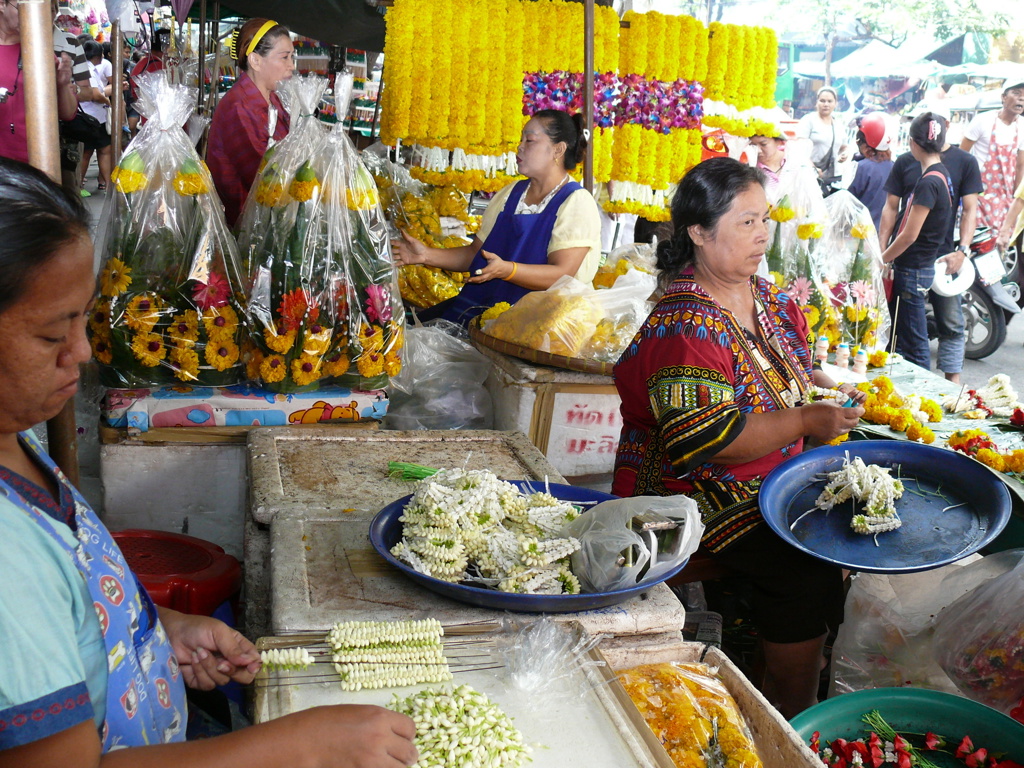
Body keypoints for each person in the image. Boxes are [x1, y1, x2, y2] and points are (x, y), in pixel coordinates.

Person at [0, 158, 418, 767]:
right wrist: (298, 748)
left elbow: (70, 603)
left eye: (83, 321)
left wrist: (158, 629)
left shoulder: (16, 440)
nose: (84, 352)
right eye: (51, 333)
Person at [612, 157, 864, 719]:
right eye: (746, 223)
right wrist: (803, 422)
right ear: (699, 233)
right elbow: (706, 440)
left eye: (765, 220)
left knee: (855, 525)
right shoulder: (684, 325)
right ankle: (787, 701)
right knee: (803, 559)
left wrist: (827, 391)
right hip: (691, 492)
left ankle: (795, 657)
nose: (763, 235)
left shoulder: (772, 302)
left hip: (773, 477)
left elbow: (794, 370)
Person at [393, 109, 601, 326]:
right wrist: (426, 255)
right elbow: (475, 254)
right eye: (521, 139)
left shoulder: (576, 202)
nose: (519, 147)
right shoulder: (511, 194)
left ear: (558, 149)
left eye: (529, 140)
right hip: (486, 315)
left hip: (540, 325)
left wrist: (508, 270)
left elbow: (561, 275)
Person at [880, 105, 981, 383]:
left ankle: (941, 390)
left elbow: (911, 234)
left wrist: (883, 258)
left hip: (929, 260)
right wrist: (884, 251)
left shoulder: (941, 173)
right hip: (916, 259)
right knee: (908, 332)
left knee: (928, 335)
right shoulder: (931, 171)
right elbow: (891, 209)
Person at [880, 112, 954, 371]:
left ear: (912, 143)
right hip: (921, 265)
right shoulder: (942, 174)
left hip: (913, 268)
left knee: (914, 342)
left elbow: (909, 235)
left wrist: (883, 258)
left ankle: (922, 391)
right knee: (908, 338)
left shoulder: (928, 182)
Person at [207, 18, 293, 229]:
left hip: (266, 221)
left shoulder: (273, 100)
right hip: (244, 227)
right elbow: (265, 177)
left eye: (292, 57)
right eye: (284, 57)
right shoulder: (240, 106)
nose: (292, 66)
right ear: (255, 61)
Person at [0, 0, 81, 166]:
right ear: (2, 5)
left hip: (34, 162)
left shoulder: (40, 53)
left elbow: (68, 113)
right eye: (22, 8)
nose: (30, 15)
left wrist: (62, 85)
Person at [960, 78, 1024, 234]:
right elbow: (961, 156)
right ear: (1003, 97)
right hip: (979, 196)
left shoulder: (1022, 126)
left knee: (1004, 245)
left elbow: (1020, 166)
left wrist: (1015, 200)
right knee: (978, 240)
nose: (1021, 98)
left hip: (1006, 199)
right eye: (1016, 93)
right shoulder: (983, 121)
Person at [847, 113, 894, 233]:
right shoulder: (893, 165)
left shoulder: (862, 167)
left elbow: (849, 200)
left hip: (862, 230)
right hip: (885, 230)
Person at [796, 86, 848, 191]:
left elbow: (844, 147)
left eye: (830, 101)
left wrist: (844, 154)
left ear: (835, 103)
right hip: (810, 176)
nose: (826, 104)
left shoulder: (838, 124)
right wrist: (812, 168)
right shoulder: (808, 121)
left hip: (832, 178)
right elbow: (799, 148)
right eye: (822, 101)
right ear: (817, 102)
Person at [78, 39, 111, 194]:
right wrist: (107, 101)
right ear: (99, 56)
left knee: (90, 152)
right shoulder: (89, 70)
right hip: (93, 118)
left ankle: (79, 186)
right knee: (99, 151)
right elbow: (96, 94)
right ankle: (79, 187)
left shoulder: (85, 68)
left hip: (87, 117)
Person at [750, 129, 786, 199]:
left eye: (763, 144)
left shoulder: (795, 160)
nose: (758, 150)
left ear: (778, 142)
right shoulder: (751, 168)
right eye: (752, 145)